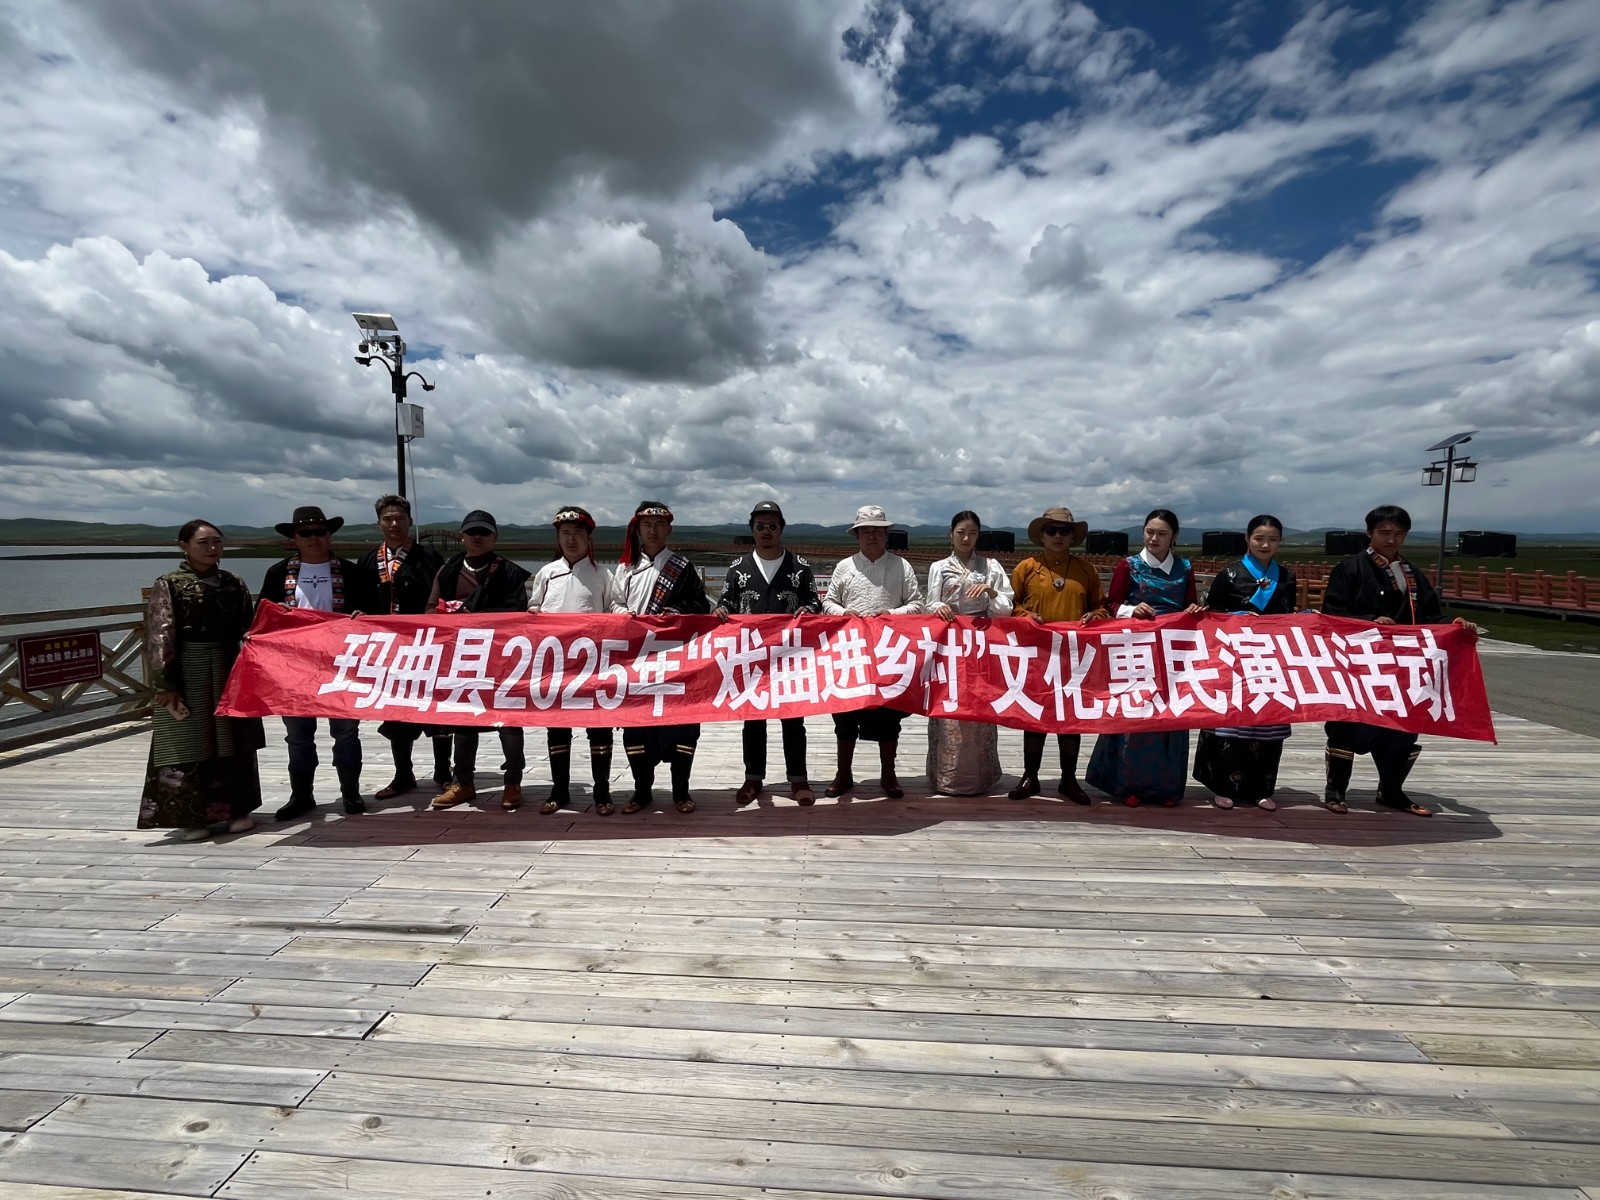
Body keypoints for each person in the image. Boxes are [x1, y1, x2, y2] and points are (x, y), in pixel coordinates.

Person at [1320, 504, 1467, 817]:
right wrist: (1370, 621)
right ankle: (1335, 791)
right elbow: (1333, 613)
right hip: (1361, 662)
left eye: (1398, 533)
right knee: (1351, 722)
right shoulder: (1350, 568)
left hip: (1403, 665)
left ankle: (1391, 790)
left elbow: (1429, 613)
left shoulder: (1411, 573)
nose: (1392, 539)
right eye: (1384, 532)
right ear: (1370, 533)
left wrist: (1452, 622)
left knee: (1403, 724)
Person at [139, 520, 265, 841]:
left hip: (227, 665)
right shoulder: (169, 584)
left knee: (232, 739)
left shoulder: (233, 582)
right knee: (186, 742)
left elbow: (248, 629)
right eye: (203, 543)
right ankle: (191, 817)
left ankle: (238, 810)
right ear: (183, 545)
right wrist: (164, 683)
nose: (212, 549)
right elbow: (159, 635)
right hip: (187, 667)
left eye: (217, 542)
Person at [257, 505, 374, 820]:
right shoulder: (277, 573)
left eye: (319, 532)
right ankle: (301, 795)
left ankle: (350, 793)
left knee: (346, 731)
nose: (313, 538)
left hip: (342, 663)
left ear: (329, 534)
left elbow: (375, 615)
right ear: (294, 537)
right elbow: (259, 619)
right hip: (294, 666)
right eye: (305, 533)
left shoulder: (353, 573)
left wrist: (363, 617)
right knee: (297, 734)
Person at [1086, 507, 1204, 807]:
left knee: (1170, 716)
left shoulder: (1184, 567)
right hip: (1136, 651)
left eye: (1162, 534)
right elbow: (1111, 604)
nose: (1154, 538)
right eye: (1150, 532)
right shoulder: (1130, 565)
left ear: (1173, 537)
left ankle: (1166, 788)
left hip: (1171, 651)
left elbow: (1190, 604)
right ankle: (1128, 785)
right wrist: (1131, 610)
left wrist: (1193, 610)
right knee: (1136, 714)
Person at [715, 500, 823, 806]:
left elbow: (815, 602)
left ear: (781, 529)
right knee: (753, 720)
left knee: (793, 719)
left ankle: (799, 779)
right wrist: (722, 609)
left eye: (772, 526)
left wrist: (808, 609)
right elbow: (726, 602)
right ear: (752, 529)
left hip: (790, 657)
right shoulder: (737, 569)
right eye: (760, 526)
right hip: (751, 658)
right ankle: (753, 778)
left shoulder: (799, 567)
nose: (766, 531)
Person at [427, 510, 532, 812]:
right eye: (471, 531)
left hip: (501, 659)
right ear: (462, 535)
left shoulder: (510, 571)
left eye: (483, 532)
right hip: (461, 658)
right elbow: (431, 608)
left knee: (508, 721)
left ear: (494, 537)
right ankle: (464, 783)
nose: (477, 536)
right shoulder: (447, 570)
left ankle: (513, 781)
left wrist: (479, 620)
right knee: (463, 722)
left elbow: (519, 615)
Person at [1193, 514, 1298, 812]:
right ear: (1247, 539)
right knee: (1230, 725)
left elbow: (1288, 613)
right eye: (1259, 538)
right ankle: (1222, 785)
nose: (1265, 544)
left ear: (1280, 542)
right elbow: (1211, 617)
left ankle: (1261, 787)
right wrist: (1239, 618)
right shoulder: (1229, 575)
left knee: (1267, 722)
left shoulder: (1287, 576)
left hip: (1271, 659)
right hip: (1233, 659)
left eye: (1273, 539)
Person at [612, 500, 712, 813]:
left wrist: (676, 613)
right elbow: (613, 604)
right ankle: (642, 791)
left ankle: (681, 791)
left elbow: (700, 608)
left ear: (668, 529)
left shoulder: (683, 567)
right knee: (636, 726)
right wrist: (623, 614)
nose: (652, 531)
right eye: (646, 525)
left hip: (675, 662)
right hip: (637, 663)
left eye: (659, 525)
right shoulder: (625, 568)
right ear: (638, 529)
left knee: (682, 726)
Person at [822, 504, 924, 798]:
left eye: (878, 531)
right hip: (851, 652)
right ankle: (844, 773)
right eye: (866, 531)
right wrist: (844, 612)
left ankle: (888, 774)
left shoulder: (901, 566)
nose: (872, 536)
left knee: (889, 716)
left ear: (886, 534)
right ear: (857, 535)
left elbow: (917, 604)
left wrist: (890, 613)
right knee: (844, 715)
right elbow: (828, 602)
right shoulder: (844, 567)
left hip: (887, 652)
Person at [1006, 506, 1105, 804]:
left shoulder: (1086, 570)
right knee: (1033, 716)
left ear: (1073, 536)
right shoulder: (1026, 568)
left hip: (1073, 655)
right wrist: (1026, 615)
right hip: (1036, 653)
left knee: (1069, 717)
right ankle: (1030, 776)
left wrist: (1094, 617)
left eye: (1064, 531)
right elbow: (1010, 606)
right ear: (1042, 535)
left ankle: (1068, 779)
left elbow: (1102, 607)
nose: (1058, 536)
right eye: (1052, 530)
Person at [357, 493, 447, 803]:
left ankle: (443, 771)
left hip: (425, 645)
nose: (394, 523)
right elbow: (362, 600)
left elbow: (442, 599)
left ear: (410, 521)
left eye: (400, 518)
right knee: (395, 712)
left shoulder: (429, 557)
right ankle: (403, 773)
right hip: (389, 649)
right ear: (379, 523)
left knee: (436, 709)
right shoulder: (369, 559)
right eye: (388, 519)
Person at [528, 505, 617, 815]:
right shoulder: (546, 573)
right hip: (556, 666)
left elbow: (616, 607)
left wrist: (626, 616)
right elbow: (534, 608)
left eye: (578, 534)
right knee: (557, 730)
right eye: (565, 534)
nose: (571, 540)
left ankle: (602, 791)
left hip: (594, 665)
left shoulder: (603, 574)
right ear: (558, 537)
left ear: (589, 538)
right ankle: (559, 790)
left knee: (599, 730)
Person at [926, 511, 1014, 795]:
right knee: (948, 708)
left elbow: (1006, 608)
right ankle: (945, 776)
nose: (966, 538)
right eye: (961, 532)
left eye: (972, 533)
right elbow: (929, 604)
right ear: (951, 533)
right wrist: (937, 608)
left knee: (979, 707)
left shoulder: (991, 566)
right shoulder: (939, 567)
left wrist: (990, 591)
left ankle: (981, 776)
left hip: (980, 644)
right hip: (949, 644)